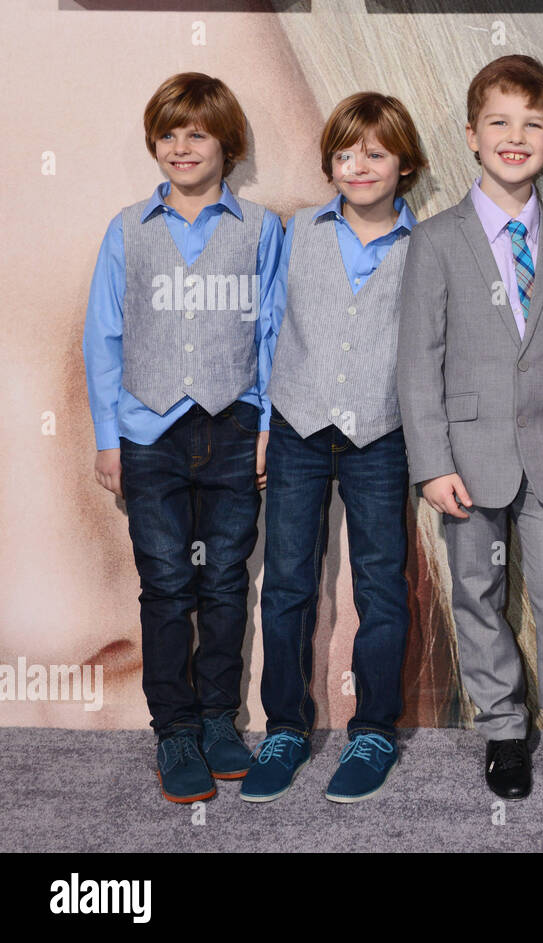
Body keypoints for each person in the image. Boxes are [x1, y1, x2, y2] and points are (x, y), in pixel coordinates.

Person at [396, 55, 543, 821]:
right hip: (465, 459)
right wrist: (430, 463)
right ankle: (502, 730)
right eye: (500, 123)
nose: (515, 138)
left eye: (534, 125)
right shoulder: (435, 240)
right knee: (478, 592)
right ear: (471, 136)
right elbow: (418, 361)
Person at [82, 72, 281, 803]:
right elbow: (104, 336)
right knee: (167, 584)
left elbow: (273, 331)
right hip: (149, 433)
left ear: (225, 142)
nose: (182, 146)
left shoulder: (261, 229)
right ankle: (174, 729)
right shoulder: (126, 228)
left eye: (197, 132)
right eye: (168, 133)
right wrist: (110, 438)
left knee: (227, 580)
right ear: (153, 144)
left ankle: (218, 719)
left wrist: (266, 425)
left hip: (233, 428)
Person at [240, 92, 427, 804]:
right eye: (345, 153)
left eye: (375, 153)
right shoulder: (298, 231)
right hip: (296, 425)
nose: (358, 165)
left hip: (381, 433)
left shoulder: (425, 243)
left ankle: (374, 728)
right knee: (287, 580)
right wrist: (263, 419)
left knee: (381, 583)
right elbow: (270, 327)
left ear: (404, 163)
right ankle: (285, 726)